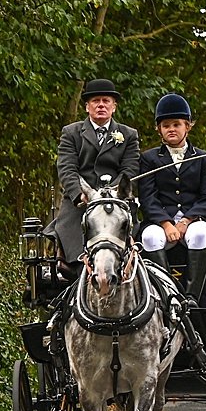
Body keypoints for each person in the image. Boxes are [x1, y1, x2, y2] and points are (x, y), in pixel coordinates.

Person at [137, 92, 206, 311]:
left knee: (201, 233)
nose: (171, 129)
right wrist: (165, 224)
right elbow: (148, 197)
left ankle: (192, 296)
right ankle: (166, 294)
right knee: (149, 236)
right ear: (159, 129)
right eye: (166, 125)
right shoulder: (149, 158)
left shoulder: (203, 158)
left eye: (176, 124)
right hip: (160, 223)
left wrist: (185, 222)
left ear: (188, 126)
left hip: (193, 221)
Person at [52, 78, 142, 272]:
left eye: (106, 101)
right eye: (95, 101)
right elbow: (67, 168)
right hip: (82, 203)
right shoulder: (71, 133)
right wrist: (79, 193)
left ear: (114, 106)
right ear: (87, 107)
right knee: (76, 252)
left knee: (130, 246)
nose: (101, 105)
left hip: (117, 201)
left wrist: (113, 192)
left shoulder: (128, 135)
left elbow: (130, 169)